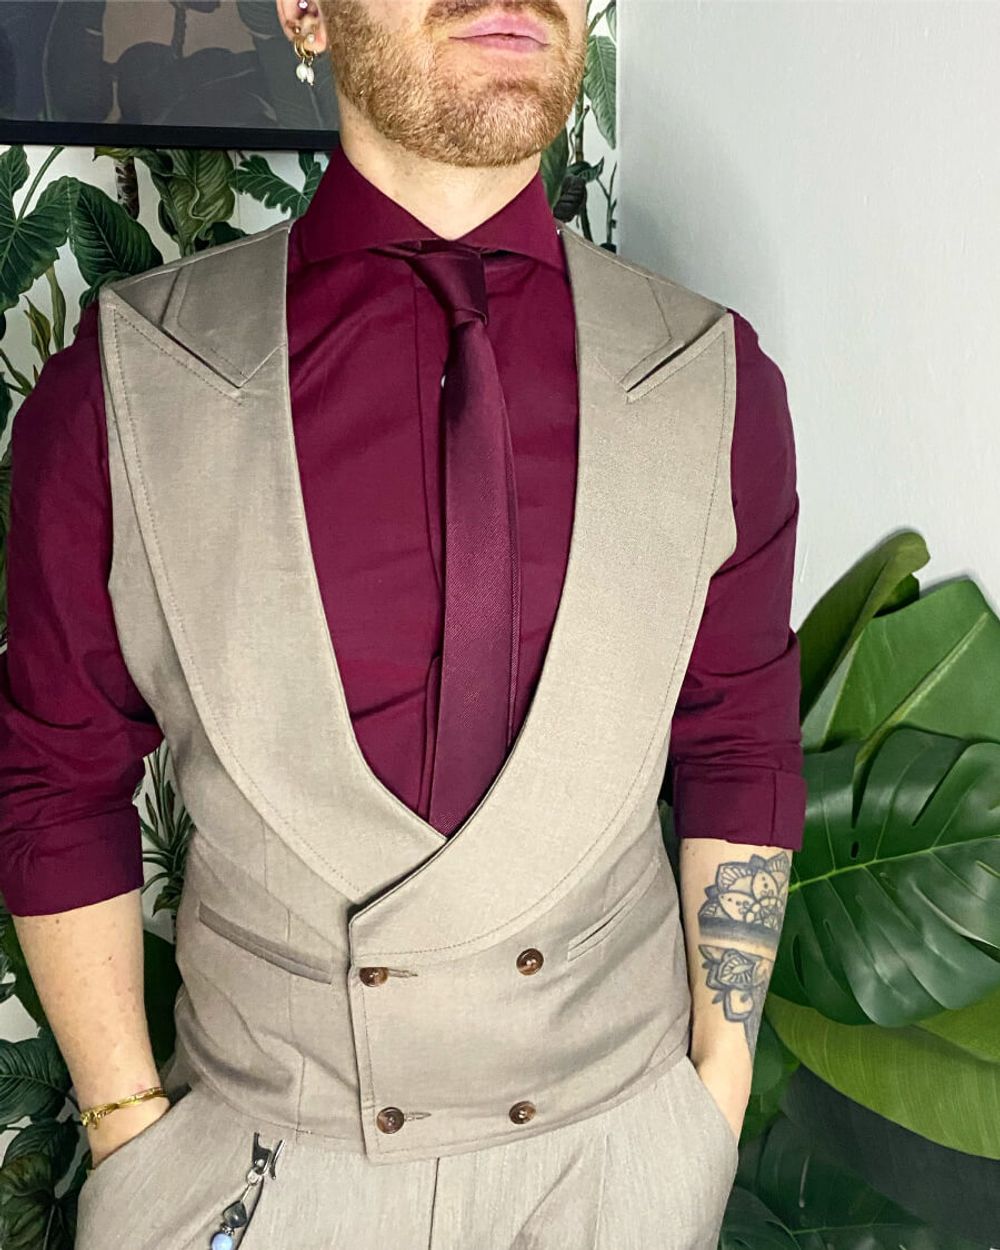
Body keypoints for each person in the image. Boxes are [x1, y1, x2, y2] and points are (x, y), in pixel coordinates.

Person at [0, 1, 806, 1247]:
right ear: (304, 12)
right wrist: (127, 1131)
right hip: (260, 1176)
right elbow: (56, 778)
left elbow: (739, 744)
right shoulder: (125, 383)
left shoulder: (712, 378)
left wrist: (712, 1101)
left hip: (619, 1168)